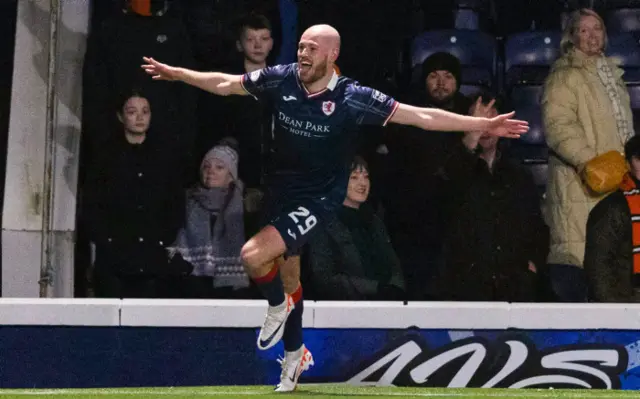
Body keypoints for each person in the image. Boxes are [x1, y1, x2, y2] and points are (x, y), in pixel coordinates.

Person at [141, 24, 528, 392]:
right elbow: (226, 84)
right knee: (289, 278)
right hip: (282, 189)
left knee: (253, 256)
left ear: (332, 54)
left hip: (319, 195)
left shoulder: (352, 96)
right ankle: (295, 355)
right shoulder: (282, 77)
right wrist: (179, 73)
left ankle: (276, 307)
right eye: (301, 47)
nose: (302, 53)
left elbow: (422, 116)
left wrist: (478, 126)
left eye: (312, 48)